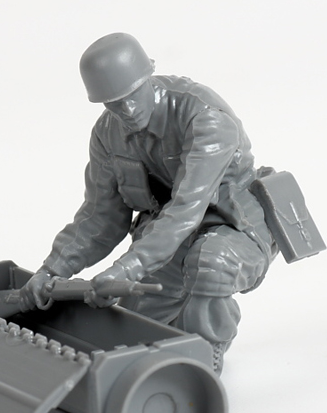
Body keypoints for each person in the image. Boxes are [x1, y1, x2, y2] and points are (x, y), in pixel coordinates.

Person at [21, 33, 277, 372]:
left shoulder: (205, 118)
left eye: (132, 95)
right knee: (136, 323)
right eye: (113, 102)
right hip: (169, 234)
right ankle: (166, 349)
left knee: (211, 263)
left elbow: (186, 208)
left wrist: (125, 267)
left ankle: (204, 359)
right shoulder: (107, 135)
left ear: (149, 77)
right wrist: (52, 269)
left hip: (236, 224)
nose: (126, 110)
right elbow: (100, 216)